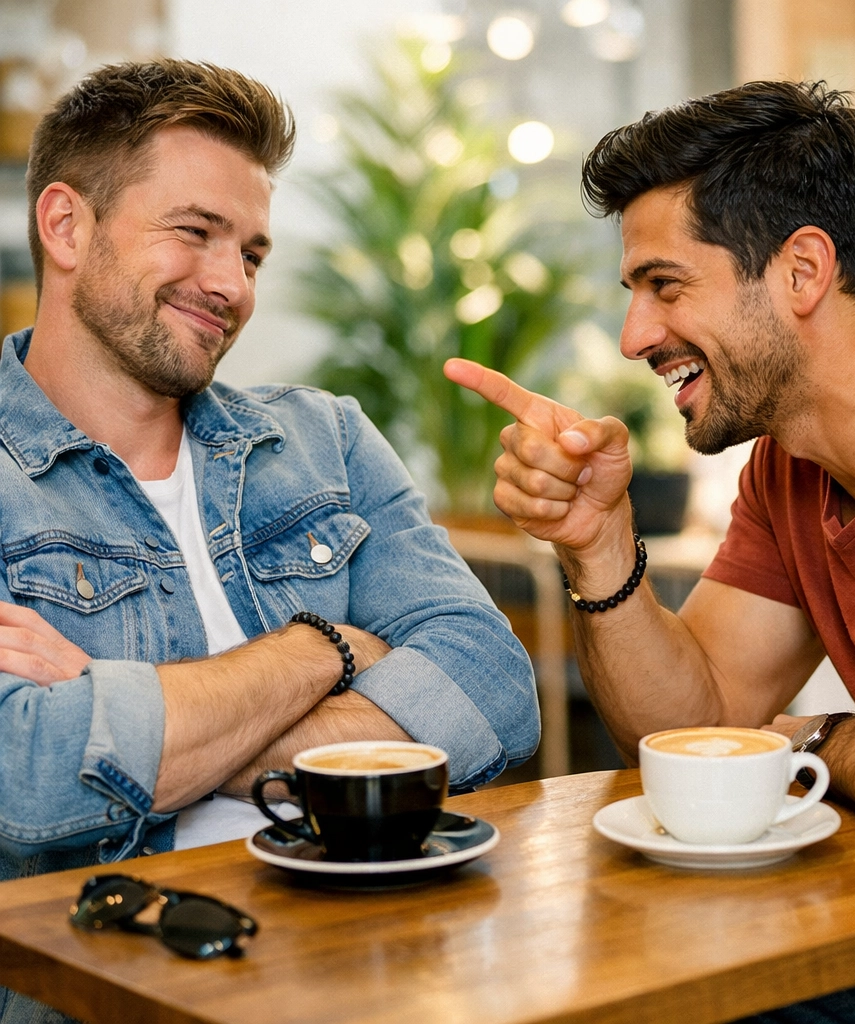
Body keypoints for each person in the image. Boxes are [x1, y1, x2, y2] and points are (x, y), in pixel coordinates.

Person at [445, 80, 855, 1023]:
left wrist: (814, 742)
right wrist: (599, 547)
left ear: (802, 270)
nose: (637, 336)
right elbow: (691, 725)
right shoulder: (790, 465)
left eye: (665, 286)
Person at [0, 55, 538, 934]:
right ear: (65, 225)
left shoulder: (326, 440)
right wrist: (324, 647)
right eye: (194, 231)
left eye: (251, 252)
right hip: (125, 982)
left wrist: (130, 707)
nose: (233, 286)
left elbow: (493, 691)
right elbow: (28, 776)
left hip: (377, 955)